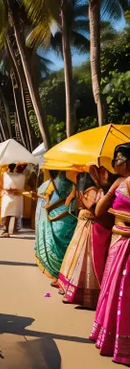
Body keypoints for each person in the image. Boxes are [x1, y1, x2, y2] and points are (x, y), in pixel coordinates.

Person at [90, 143, 130, 365]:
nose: (116, 163)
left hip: (126, 242)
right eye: (115, 160)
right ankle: (109, 338)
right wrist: (112, 187)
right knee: (113, 290)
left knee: (125, 293)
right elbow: (99, 210)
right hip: (117, 242)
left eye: (120, 159)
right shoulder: (119, 183)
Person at [57, 167, 112, 308]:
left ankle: (81, 294)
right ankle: (78, 293)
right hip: (88, 227)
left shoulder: (95, 191)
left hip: (90, 228)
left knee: (84, 261)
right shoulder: (93, 191)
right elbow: (93, 208)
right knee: (83, 261)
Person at [34, 171, 77, 284]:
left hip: (61, 216)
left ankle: (60, 275)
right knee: (63, 246)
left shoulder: (55, 183)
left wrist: (48, 208)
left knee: (58, 246)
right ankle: (62, 276)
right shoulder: (69, 183)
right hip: (65, 217)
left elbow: (53, 201)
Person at [0, 163, 26, 237]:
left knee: (7, 214)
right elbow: (22, 187)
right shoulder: (22, 176)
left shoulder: (5, 174)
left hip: (8, 195)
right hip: (17, 196)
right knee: (15, 214)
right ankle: (14, 228)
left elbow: (4, 186)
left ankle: (6, 230)